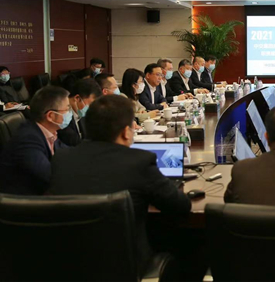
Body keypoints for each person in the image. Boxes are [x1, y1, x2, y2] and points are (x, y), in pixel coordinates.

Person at [48, 95, 191, 273]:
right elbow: (181, 206)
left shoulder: (61, 159)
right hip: (124, 268)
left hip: (66, 267)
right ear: (126, 132)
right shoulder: (139, 161)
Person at [0, 86, 71, 195]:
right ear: (51, 115)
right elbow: (50, 176)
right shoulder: (27, 139)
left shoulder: (48, 132)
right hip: (23, 201)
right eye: (67, 109)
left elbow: (67, 153)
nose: (69, 113)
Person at [57, 78, 102, 146]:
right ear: (77, 98)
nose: (92, 109)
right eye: (90, 105)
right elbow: (75, 143)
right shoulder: (62, 117)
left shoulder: (81, 114)